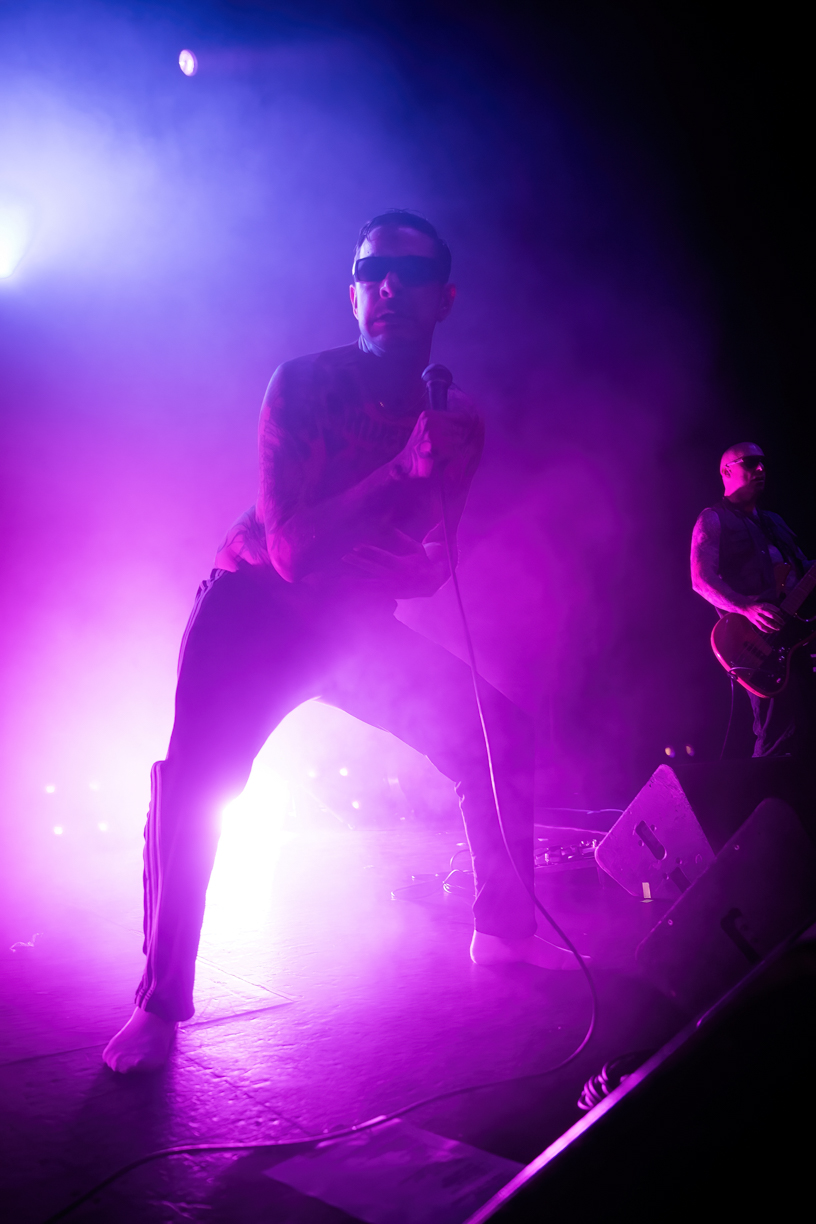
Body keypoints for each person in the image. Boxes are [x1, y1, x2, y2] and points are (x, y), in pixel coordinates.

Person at [103, 210, 576, 1075]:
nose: (388, 285)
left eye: (410, 271)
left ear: (445, 297)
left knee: (498, 733)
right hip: (255, 610)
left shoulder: (458, 422)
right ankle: (159, 1004)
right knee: (198, 783)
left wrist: (423, 564)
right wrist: (399, 470)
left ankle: (505, 931)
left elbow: (436, 553)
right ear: (353, 293)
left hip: (354, 622)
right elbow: (288, 550)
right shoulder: (304, 385)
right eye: (371, 271)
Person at [690, 441, 815, 757]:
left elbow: (800, 568)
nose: (760, 469)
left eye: (763, 463)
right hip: (757, 644)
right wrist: (746, 607)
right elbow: (701, 580)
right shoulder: (713, 519)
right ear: (726, 472)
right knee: (777, 731)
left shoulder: (774, 522)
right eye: (750, 462)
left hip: (796, 634)